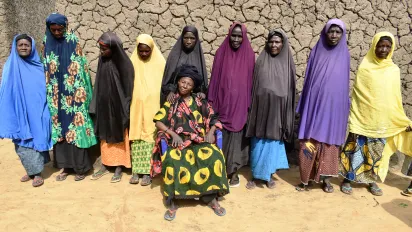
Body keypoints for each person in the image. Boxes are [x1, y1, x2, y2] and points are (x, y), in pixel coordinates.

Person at [152, 64, 229, 221]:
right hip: (179, 141)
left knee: (214, 157)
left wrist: (210, 132)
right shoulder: (172, 101)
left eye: (189, 84)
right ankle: (174, 199)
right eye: (182, 82)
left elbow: (213, 117)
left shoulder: (199, 101)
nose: (184, 86)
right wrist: (172, 133)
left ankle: (210, 197)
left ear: (193, 87)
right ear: (178, 81)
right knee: (174, 160)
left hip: (198, 140)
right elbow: (158, 120)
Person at [339, 32, 412, 196]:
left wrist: (401, 120)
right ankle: (348, 179)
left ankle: (371, 181)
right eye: (380, 45)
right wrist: (357, 116)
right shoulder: (365, 67)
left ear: (392, 49)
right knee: (355, 152)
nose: (383, 49)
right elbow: (359, 95)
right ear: (374, 46)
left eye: (387, 46)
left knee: (376, 154)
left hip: (381, 121)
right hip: (362, 118)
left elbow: (394, 98)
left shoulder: (394, 70)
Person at [296, 19, 350, 193]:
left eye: (338, 32)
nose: (334, 35)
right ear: (325, 33)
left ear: (342, 35)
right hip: (315, 105)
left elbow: (343, 85)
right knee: (310, 141)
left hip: (333, 108)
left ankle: (326, 180)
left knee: (329, 143)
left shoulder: (345, 55)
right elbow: (309, 81)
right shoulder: (317, 52)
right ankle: (306, 180)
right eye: (331, 31)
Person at [42, 13, 97, 181]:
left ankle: (81, 168)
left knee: (76, 127)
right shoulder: (46, 43)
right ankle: (65, 167)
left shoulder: (73, 41)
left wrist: (80, 92)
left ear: (65, 27)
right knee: (60, 128)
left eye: (60, 29)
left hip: (74, 93)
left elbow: (82, 67)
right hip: (56, 95)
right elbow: (45, 68)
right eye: (54, 30)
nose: (57, 32)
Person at [245, 29, 296, 189]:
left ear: (283, 44)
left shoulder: (287, 64)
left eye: (277, 42)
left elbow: (291, 90)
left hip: (278, 112)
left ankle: (268, 176)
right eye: (271, 42)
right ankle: (255, 175)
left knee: (273, 143)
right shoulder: (261, 61)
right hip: (260, 110)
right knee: (258, 142)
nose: (274, 45)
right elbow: (253, 86)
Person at [0, 34, 53, 187]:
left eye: (26, 45)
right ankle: (33, 171)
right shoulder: (10, 66)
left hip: (37, 111)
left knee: (37, 137)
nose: (23, 47)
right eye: (20, 45)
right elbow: (5, 90)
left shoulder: (38, 66)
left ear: (32, 47)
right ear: (15, 47)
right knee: (22, 142)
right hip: (18, 111)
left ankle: (36, 171)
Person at [207, 22, 255, 187]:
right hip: (222, 103)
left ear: (244, 37)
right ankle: (219, 170)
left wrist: (248, 105)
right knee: (221, 135)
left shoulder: (249, 55)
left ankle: (233, 172)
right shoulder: (221, 52)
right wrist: (211, 100)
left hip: (240, 106)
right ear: (229, 35)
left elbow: (251, 82)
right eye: (233, 35)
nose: (236, 39)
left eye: (239, 36)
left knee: (236, 139)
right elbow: (214, 78)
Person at [89, 32, 134, 182]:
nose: (101, 52)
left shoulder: (124, 63)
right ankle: (106, 163)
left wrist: (124, 107)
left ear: (114, 48)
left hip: (118, 107)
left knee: (119, 134)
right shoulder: (103, 61)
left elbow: (128, 87)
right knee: (105, 135)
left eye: (104, 49)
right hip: (104, 105)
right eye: (100, 49)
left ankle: (119, 166)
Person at [128, 34, 166, 185]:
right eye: (141, 51)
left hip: (153, 107)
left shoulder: (160, 63)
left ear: (152, 49)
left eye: (146, 51)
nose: (143, 54)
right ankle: (136, 171)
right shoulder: (132, 62)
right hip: (136, 107)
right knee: (137, 136)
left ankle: (148, 172)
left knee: (151, 136)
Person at [161, 26, 208, 105]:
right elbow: (168, 80)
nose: (188, 41)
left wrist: (201, 92)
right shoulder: (174, 56)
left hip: (193, 101)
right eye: (186, 38)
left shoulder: (198, 58)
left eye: (192, 38)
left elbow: (202, 83)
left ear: (196, 40)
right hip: (174, 99)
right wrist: (169, 91)